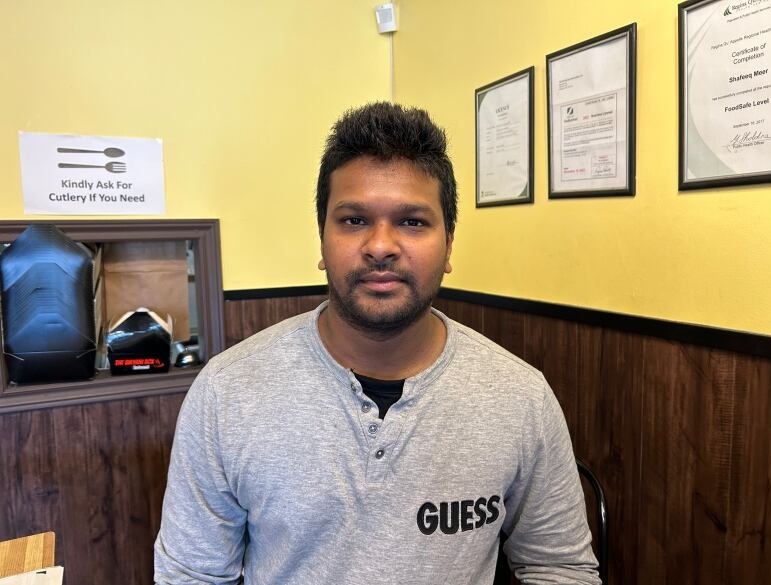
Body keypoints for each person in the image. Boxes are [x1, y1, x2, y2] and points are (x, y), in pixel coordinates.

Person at [154, 102, 600, 584]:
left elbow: (559, 568)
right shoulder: (228, 391)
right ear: (322, 240)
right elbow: (191, 575)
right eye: (353, 220)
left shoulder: (520, 397)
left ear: (449, 244)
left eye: (412, 221)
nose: (381, 245)